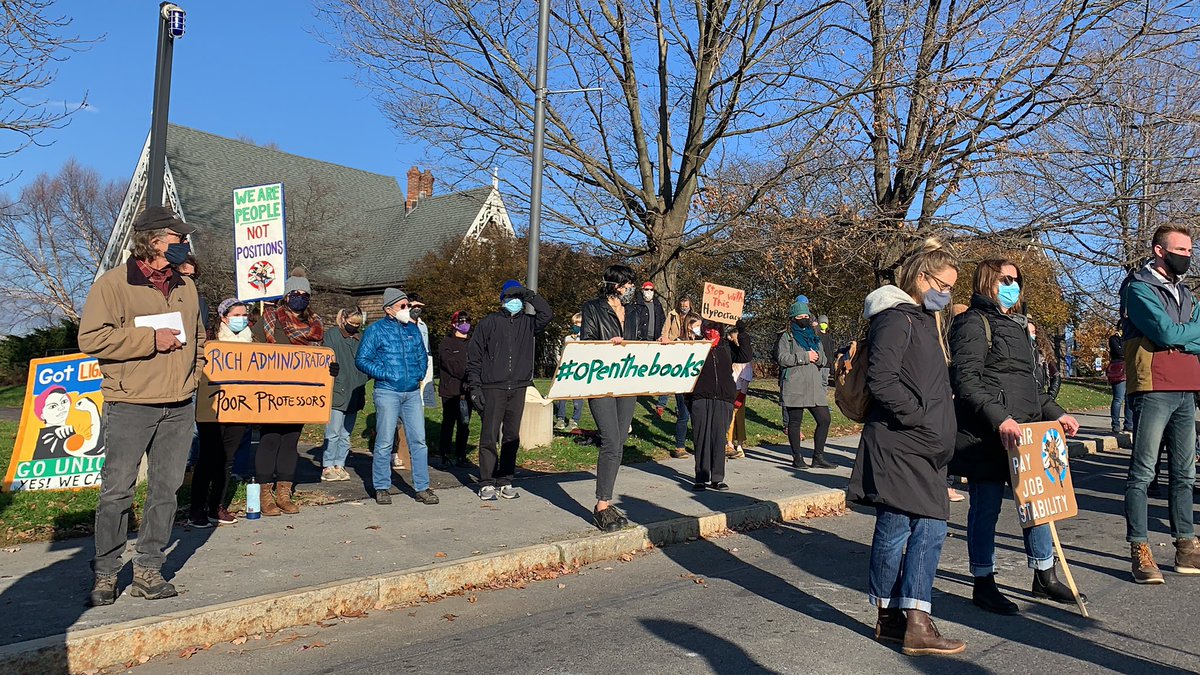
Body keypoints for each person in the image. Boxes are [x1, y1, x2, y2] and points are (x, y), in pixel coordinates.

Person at [77, 205, 205, 606]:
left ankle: (149, 569)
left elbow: (198, 336)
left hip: (179, 404)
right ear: (152, 241)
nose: (184, 244)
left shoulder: (186, 285)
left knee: (165, 492)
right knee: (117, 492)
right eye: (177, 238)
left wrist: (194, 374)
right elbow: (92, 338)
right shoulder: (113, 284)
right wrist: (149, 340)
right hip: (131, 403)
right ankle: (107, 573)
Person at [847, 238, 966, 656]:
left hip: (918, 445)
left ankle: (898, 617)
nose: (948, 296)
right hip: (901, 442)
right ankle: (907, 619)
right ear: (921, 279)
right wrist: (919, 416)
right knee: (912, 527)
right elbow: (882, 379)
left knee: (915, 527)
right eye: (944, 286)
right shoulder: (897, 318)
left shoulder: (919, 319)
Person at [949, 258, 1083, 613]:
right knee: (986, 509)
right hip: (987, 436)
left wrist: (1057, 414)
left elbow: (1031, 387)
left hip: (1028, 435)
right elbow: (966, 382)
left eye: (1017, 279)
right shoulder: (972, 324)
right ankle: (984, 581)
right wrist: (1000, 419)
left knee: (1038, 506)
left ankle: (1044, 574)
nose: (1013, 285)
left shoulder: (1020, 327)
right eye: (1006, 279)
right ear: (986, 281)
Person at [1120, 223, 1200, 583]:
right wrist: (1182, 337)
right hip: (1153, 387)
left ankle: (1186, 545)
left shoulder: (1187, 296)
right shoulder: (1139, 288)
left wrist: (1180, 338)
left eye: (1189, 250)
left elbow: (1182, 337)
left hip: (1187, 388)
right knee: (1143, 473)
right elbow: (1164, 332)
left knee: (1185, 474)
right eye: (1181, 250)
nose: (1187, 256)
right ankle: (1140, 548)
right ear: (1159, 250)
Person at [251, 269, 331, 516]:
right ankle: (265, 494)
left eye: (304, 293)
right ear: (286, 295)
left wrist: (330, 367)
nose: (299, 297)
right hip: (272, 390)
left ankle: (284, 492)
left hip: (300, 393)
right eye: (294, 292)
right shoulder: (270, 319)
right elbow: (254, 353)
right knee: (270, 439)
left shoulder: (314, 324)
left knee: (290, 440)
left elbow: (320, 356)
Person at [467, 280, 553, 501]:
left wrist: (529, 294)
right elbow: (474, 357)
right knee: (489, 435)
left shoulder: (528, 323)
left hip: (518, 386)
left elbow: (547, 314)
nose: (514, 301)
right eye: (510, 297)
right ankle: (486, 481)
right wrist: (475, 386)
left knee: (512, 436)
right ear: (502, 300)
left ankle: (505, 479)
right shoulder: (489, 323)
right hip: (492, 386)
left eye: (518, 298)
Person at [580, 265, 649, 530]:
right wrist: (607, 345)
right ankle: (602, 505)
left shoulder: (633, 310)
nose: (630, 288)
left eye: (631, 283)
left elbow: (641, 341)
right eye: (625, 284)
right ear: (613, 284)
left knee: (619, 440)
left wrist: (660, 345)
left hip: (627, 380)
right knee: (610, 439)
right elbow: (586, 341)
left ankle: (607, 500)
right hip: (601, 380)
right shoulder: (593, 307)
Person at [357, 288, 439, 506]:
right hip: (387, 392)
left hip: (411, 392)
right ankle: (382, 486)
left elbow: (422, 354)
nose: (407, 309)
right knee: (384, 440)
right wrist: (386, 374)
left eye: (408, 305)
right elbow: (362, 359)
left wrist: (418, 374)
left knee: (419, 441)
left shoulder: (412, 330)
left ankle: (422, 487)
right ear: (389, 310)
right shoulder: (375, 331)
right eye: (403, 306)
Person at [189, 298, 255, 528]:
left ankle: (216, 506)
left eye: (245, 314)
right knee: (208, 458)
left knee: (227, 459)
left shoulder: (252, 342)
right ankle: (196, 509)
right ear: (224, 317)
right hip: (212, 408)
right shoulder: (210, 341)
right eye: (237, 314)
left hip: (239, 407)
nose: (242, 318)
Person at [776, 299, 834, 470]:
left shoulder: (814, 336)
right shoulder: (787, 337)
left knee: (824, 419)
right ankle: (797, 457)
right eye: (800, 315)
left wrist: (818, 358)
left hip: (815, 385)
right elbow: (782, 358)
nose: (804, 318)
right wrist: (804, 357)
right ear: (793, 318)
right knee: (795, 421)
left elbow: (823, 358)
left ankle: (818, 456)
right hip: (795, 384)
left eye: (806, 315)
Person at [321, 307, 369, 482]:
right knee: (333, 431)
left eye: (357, 324)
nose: (354, 327)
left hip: (355, 389)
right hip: (338, 388)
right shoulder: (332, 335)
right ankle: (328, 464)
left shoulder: (360, 338)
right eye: (351, 323)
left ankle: (339, 464)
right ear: (344, 319)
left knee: (346, 433)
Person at [690, 320, 736, 491]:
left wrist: (741, 330)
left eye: (716, 328)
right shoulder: (696, 346)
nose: (712, 331)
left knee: (718, 437)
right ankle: (701, 477)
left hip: (723, 398)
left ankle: (717, 477)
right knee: (701, 438)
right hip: (701, 397)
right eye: (709, 328)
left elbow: (745, 354)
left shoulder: (727, 347)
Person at [437, 311, 474, 468]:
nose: (465, 324)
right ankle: (444, 454)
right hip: (450, 390)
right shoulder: (446, 343)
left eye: (467, 321)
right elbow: (451, 365)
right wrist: (467, 372)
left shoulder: (472, 343)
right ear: (454, 324)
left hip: (467, 391)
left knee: (464, 424)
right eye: (461, 321)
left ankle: (461, 454)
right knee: (448, 423)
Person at [669, 316, 704, 459]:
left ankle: (699, 445)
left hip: (697, 384)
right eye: (697, 325)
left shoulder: (702, 342)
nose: (699, 328)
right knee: (683, 415)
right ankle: (680, 446)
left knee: (697, 416)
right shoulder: (679, 341)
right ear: (689, 326)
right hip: (682, 385)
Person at [639, 282, 669, 416]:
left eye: (651, 290)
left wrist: (662, 336)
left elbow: (662, 321)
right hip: (641, 342)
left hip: (656, 341)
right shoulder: (636, 304)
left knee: (663, 370)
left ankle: (661, 403)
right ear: (642, 290)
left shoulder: (658, 305)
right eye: (646, 289)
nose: (649, 292)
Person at [726, 320, 754, 459]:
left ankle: (740, 444)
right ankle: (729, 443)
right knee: (730, 418)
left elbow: (746, 380)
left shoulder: (745, 359)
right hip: (731, 389)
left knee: (739, 418)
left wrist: (741, 396)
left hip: (739, 391)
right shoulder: (731, 353)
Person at [554, 313, 586, 431]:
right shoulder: (568, 338)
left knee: (577, 397)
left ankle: (574, 420)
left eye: (579, 323)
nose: (577, 326)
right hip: (568, 369)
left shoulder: (587, 338)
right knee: (562, 395)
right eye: (575, 323)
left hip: (580, 370)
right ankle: (560, 419)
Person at [1107, 323, 1133, 436]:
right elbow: (1119, 352)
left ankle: (1129, 424)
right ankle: (1115, 424)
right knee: (1118, 398)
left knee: (1129, 399)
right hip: (1119, 370)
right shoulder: (1114, 339)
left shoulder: (1129, 338)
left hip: (1130, 370)